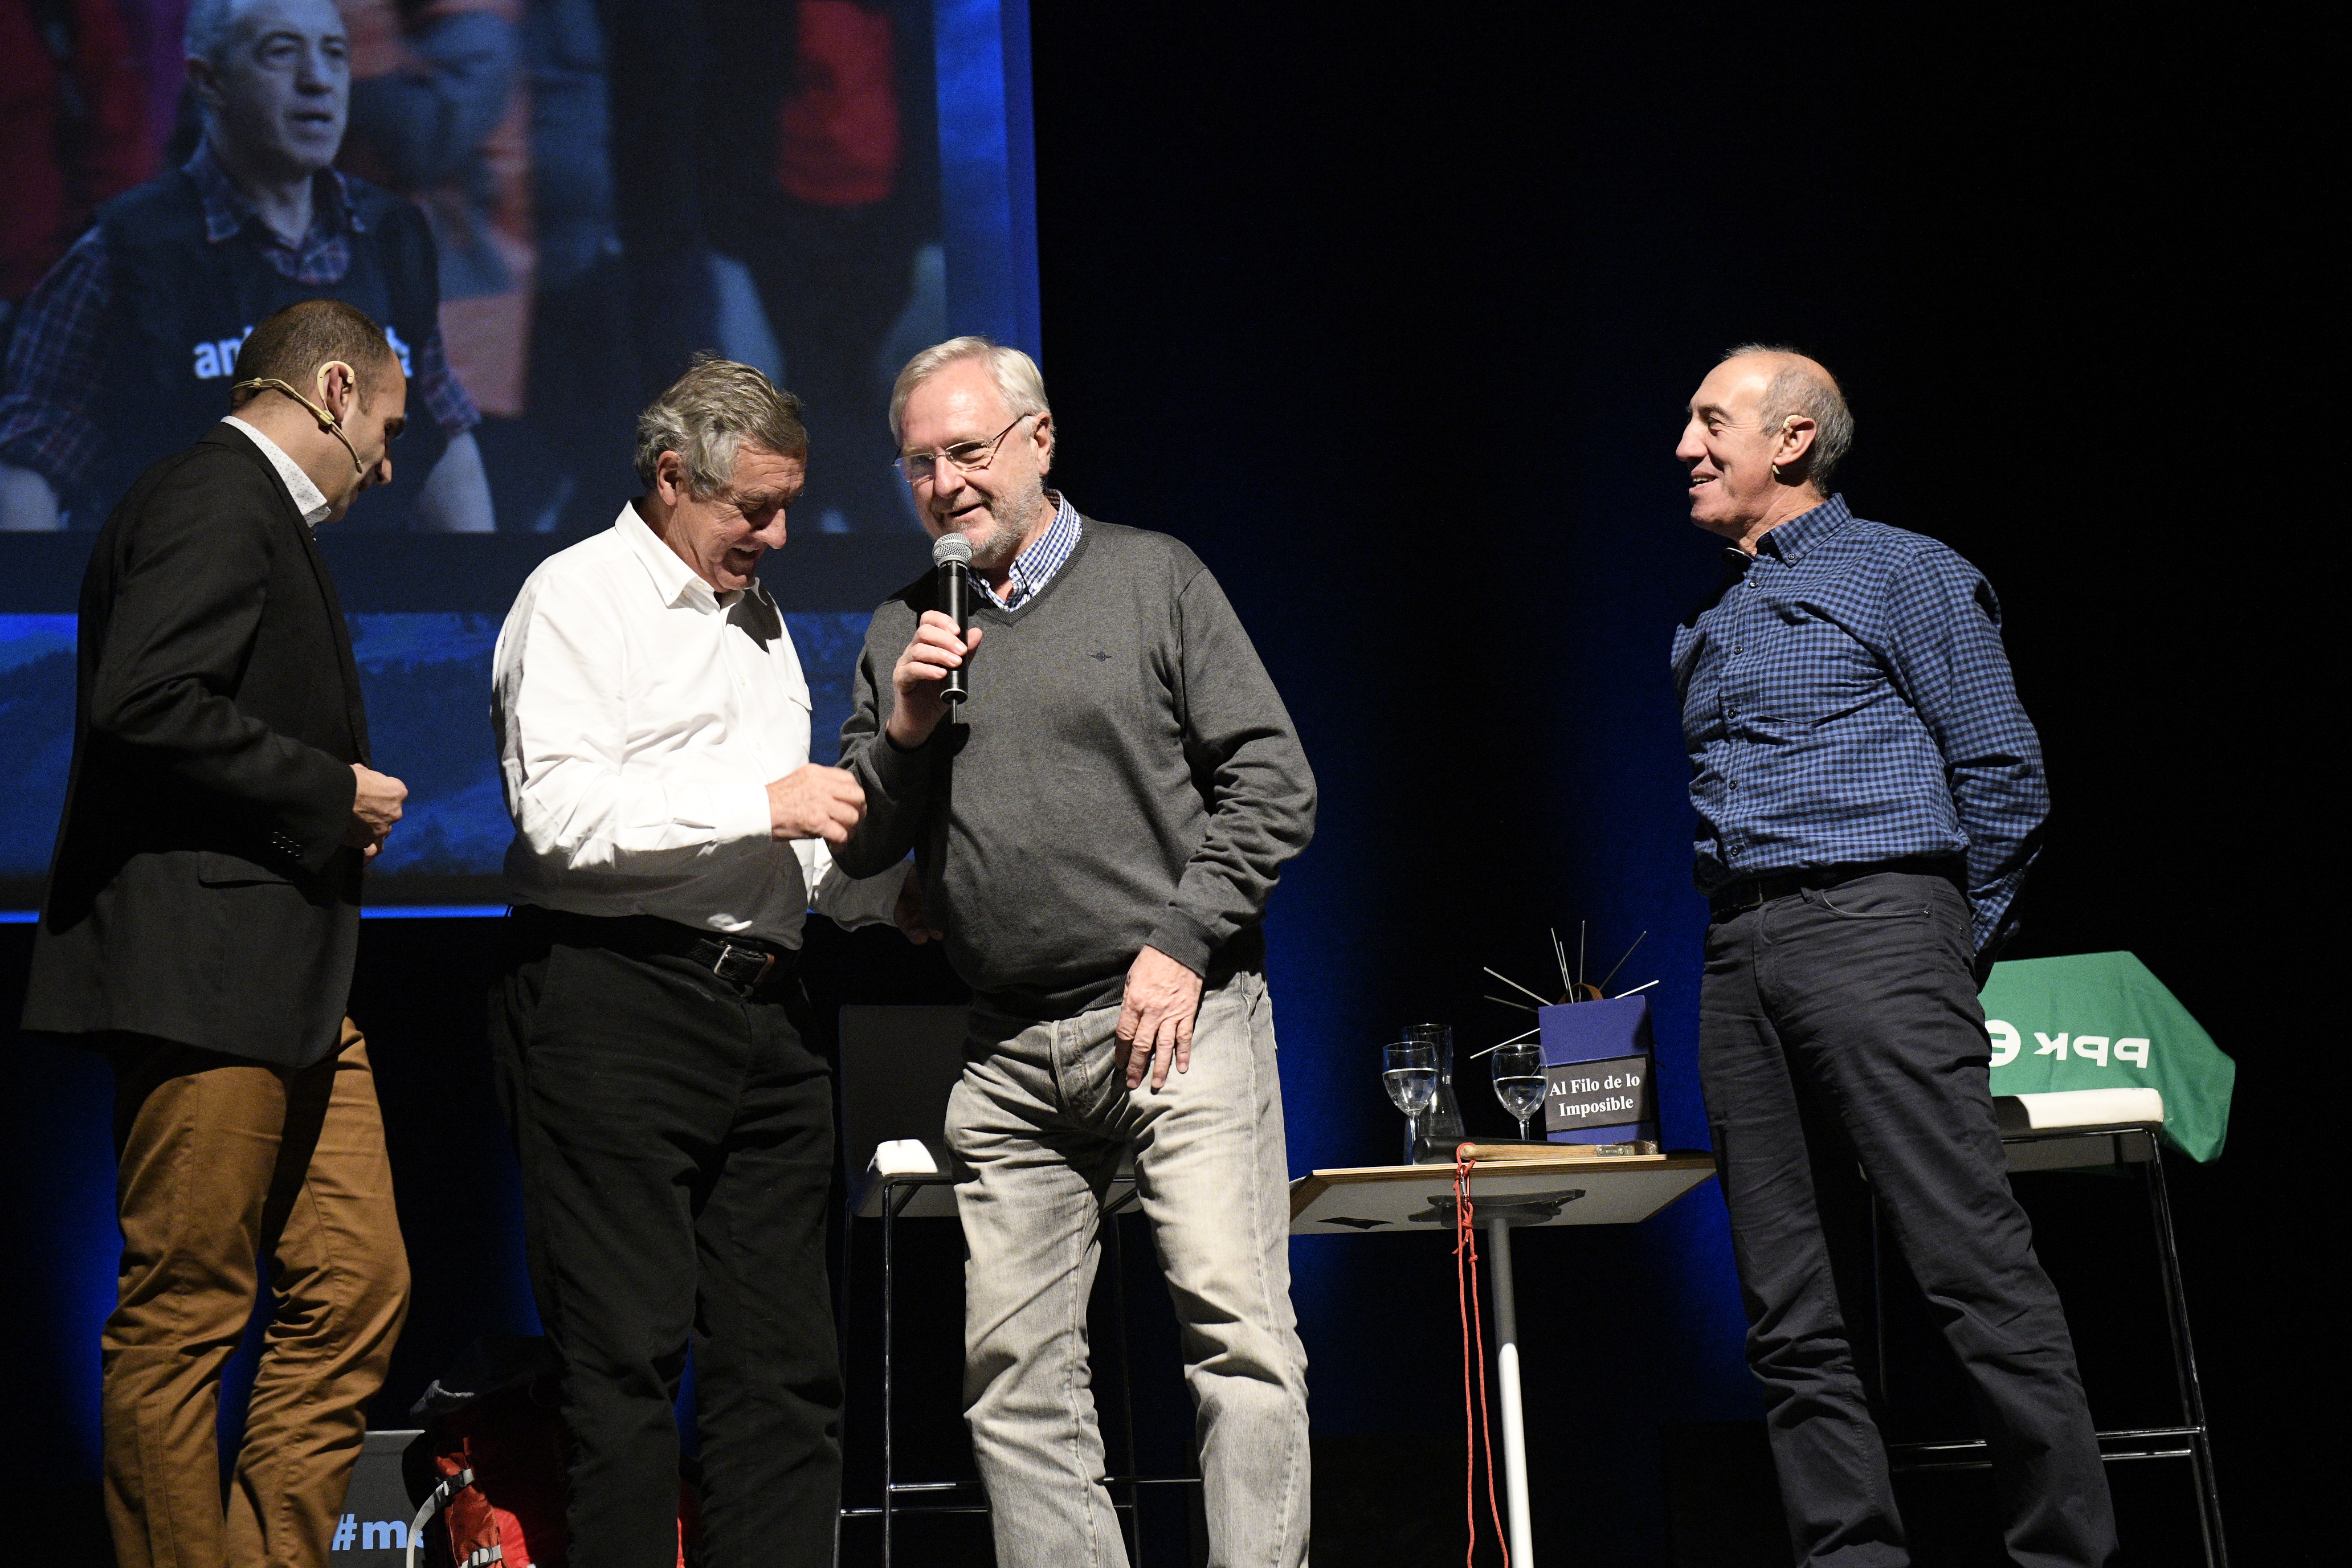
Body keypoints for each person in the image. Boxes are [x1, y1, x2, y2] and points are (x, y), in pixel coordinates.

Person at [833, 336, 1317, 1567]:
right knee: (1013, 1381)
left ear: (1039, 441)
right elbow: (865, 841)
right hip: (1006, 1051)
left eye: (967, 451)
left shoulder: (1153, 577)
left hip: (1174, 1018)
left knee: (1238, 1342)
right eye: (918, 464)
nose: (944, 483)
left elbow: (1274, 781)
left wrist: (1181, 942)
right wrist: (906, 726)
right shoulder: (901, 626)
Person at [1671, 345, 2117, 1566]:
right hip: (1740, 949)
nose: (1685, 448)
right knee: (1785, 1304)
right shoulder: (1709, 619)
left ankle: (2063, 1553)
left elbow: (2004, 773)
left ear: (1792, 441)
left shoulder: (1902, 571)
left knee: (1971, 1265)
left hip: (1878, 928)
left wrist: (1935, 947)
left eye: (1711, 422)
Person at [487, 356, 911, 1567]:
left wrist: (883, 895)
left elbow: (782, 845)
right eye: (753, 509)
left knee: (786, 1369)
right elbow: (558, 816)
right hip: (614, 1000)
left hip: (767, 1014)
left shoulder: (757, 622)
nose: (775, 536)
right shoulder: (576, 597)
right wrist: (764, 803)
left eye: (786, 507)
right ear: (672, 477)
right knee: (624, 1361)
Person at [19, 296, 415, 1568]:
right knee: (184, 1311)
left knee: (356, 1284)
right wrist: (329, 790)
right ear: (337, 391)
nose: (389, 467)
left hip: (291, 982)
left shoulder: (251, 511)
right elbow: (145, 699)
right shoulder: (211, 494)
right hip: (205, 973)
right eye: (388, 429)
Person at [0, 0, 495, 531]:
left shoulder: (393, 237)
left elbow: (442, 440)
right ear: (209, 81)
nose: (318, 80)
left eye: (334, 54)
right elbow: (29, 469)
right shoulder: (125, 253)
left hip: (366, 582)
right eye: (281, 53)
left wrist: (481, 583)